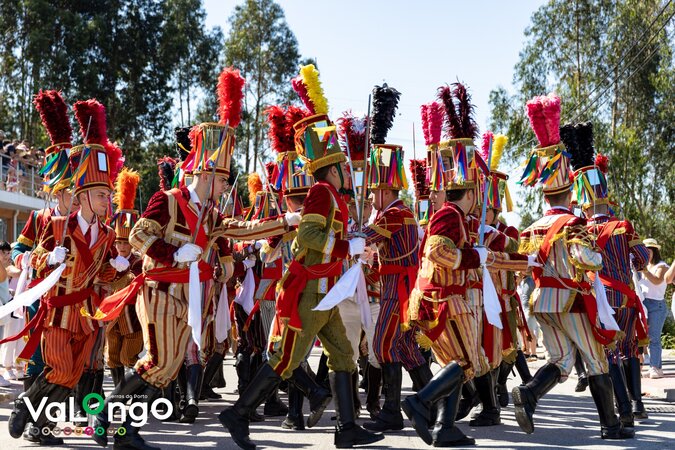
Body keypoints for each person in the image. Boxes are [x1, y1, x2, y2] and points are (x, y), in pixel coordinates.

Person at [219, 106, 383, 450]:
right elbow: (308, 236)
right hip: (310, 293)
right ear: (333, 169)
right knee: (285, 359)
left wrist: (353, 245)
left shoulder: (331, 195)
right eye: (344, 168)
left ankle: (347, 428)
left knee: (343, 355)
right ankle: (238, 413)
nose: (348, 173)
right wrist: (347, 247)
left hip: (327, 294)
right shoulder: (322, 192)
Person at [6, 98, 126, 445]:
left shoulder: (107, 233)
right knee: (50, 367)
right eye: (101, 195)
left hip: (85, 313)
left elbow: (102, 275)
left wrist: (117, 268)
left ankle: (40, 425)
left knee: (71, 375)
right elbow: (28, 253)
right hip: (51, 306)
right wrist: (46, 257)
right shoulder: (52, 222)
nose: (107, 201)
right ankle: (27, 410)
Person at [513, 94, 632, 440]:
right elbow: (585, 259)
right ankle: (610, 426)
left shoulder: (531, 227)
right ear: (569, 193)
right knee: (596, 361)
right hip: (571, 303)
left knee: (562, 360)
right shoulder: (572, 223)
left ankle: (529, 393)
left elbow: (525, 264)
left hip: (541, 303)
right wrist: (597, 255)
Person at [569, 123, 650, 426]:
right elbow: (643, 259)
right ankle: (637, 404)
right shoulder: (623, 226)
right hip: (627, 299)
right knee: (629, 349)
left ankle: (623, 410)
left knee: (609, 353)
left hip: (601, 300)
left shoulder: (580, 231)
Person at [638, 238, 669, 379]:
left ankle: (655, 368)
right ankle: (655, 367)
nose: (646, 254)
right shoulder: (644, 267)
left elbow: (657, 281)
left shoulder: (662, 266)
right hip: (644, 304)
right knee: (645, 338)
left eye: (648, 251)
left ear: (654, 251)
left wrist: (644, 270)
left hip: (657, 305)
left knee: (654, 338)